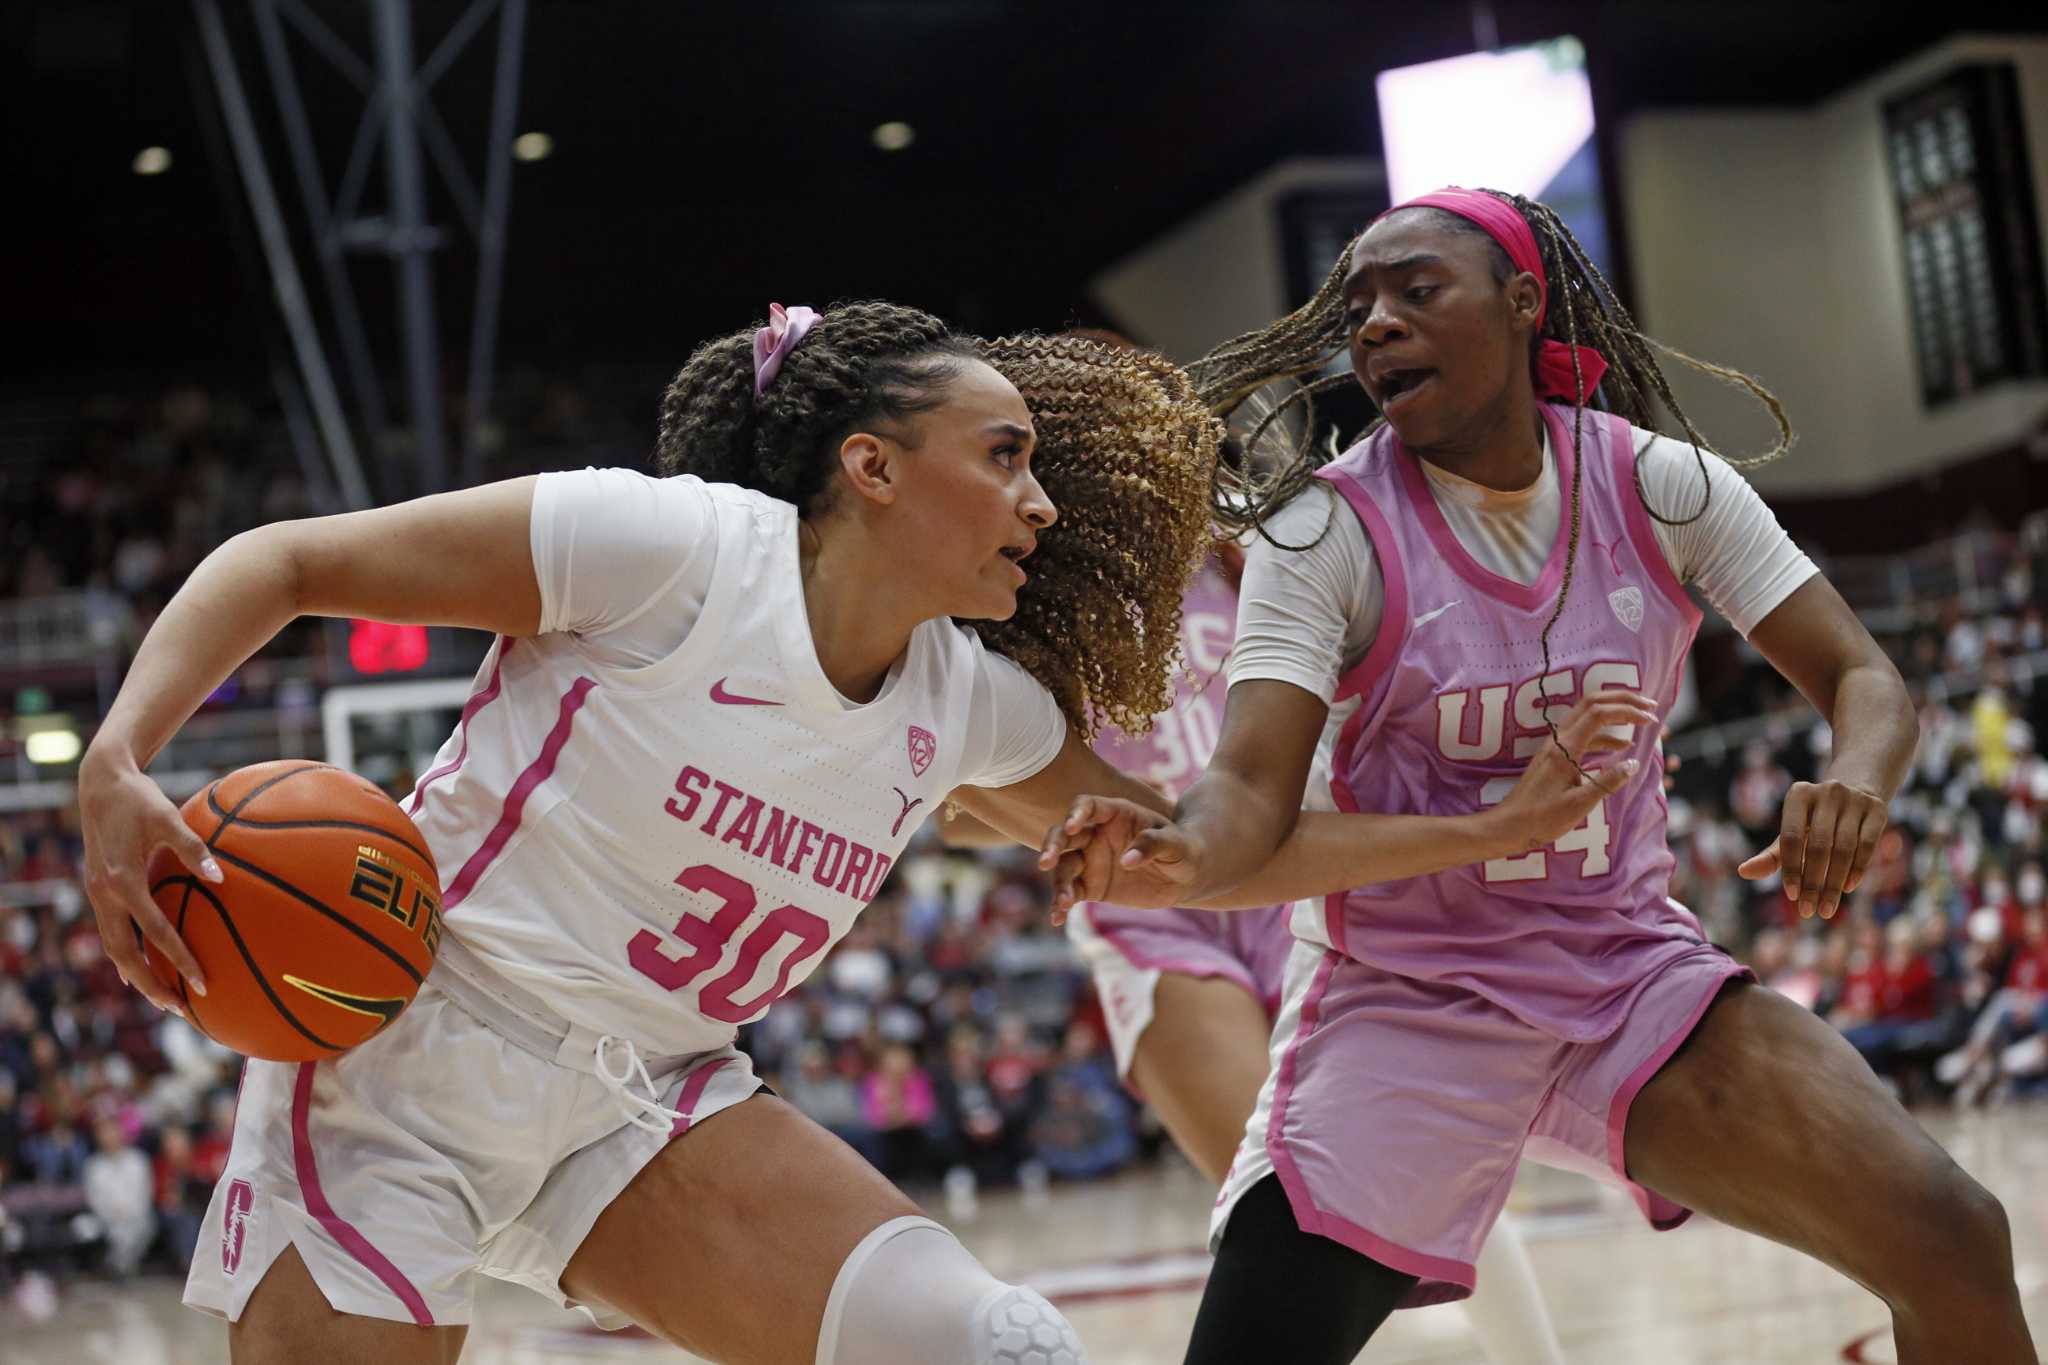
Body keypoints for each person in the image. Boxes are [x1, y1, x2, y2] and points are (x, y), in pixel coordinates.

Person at [77, 303, 1624, 1365]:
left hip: (651, 1108)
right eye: (1005, 455)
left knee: (1003, 1348)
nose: (1041, 503)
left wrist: (1500, 823)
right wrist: (116, 762)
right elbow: (280, 562)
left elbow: (1217, 846)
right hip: (403, 1073)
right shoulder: (663, 549)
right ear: (873, 468)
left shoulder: (976, 710)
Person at [1047, 189, 2031, 1363]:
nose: (1374, 325)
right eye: (1358, 305)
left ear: (1522, 305)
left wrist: (1855, 779)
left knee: (1948, 1233)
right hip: (1409, 992)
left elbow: (1863, 678)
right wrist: (1179, 847)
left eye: (1416, 292)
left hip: (1621, 968)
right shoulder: (1322, 532)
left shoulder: (1661, 482)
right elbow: (1250, 792)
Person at [956, 535, 1569, 1364]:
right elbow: (955, 811)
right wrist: (1044, 806)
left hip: (1282, 862)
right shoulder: (1019, 578)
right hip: (1148, 906)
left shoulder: (1244, 542)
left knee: (1417, 1151)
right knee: (1283, 1206)